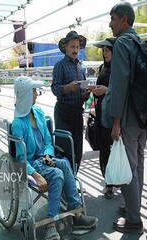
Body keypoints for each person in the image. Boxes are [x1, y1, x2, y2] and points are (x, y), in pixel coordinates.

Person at [12, 76, 98, 240]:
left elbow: (47, 141)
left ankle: (77, 214)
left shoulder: (38, 112)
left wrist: (48, 155)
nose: (37, 93)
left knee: (64, 163)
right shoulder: (18, 124)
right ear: (26, 95)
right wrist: (36, 176)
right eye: (34, 91)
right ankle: (51, 224)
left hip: (42, 158)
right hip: (31, 164)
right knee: (57, 174)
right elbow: (20, 157)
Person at [103, 2, 147, 234]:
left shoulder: (122, 44)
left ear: (124, 20)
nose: (110, 23)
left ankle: (133, 220)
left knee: (128, 168)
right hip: (143, 117)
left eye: (113, 18)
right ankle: (133, 207)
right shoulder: (140, 42)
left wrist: (116, 122)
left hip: (128, 118)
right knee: (138, 166)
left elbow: (119, 85)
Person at [51, 31, 90, 172]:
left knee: (77, 149)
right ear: (65, 47)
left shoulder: (80, 67)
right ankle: (63, 182)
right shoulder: (59, 66)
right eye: (72, 47)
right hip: (64, 112)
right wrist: (68, 88)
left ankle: (73, 180)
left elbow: (80, 90)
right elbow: (54, 88)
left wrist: (85, 95)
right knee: (64, 147)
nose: (75, 50)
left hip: (77, 112)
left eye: (77, 47)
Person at [87, 37, 115, 199]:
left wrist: (106, 90)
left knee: (116, 148)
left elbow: (122, 91)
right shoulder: (102, 68)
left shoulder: (120, 68)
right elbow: (102, 89)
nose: (104, 53)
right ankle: (109, 183)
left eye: (107, 50)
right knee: (104, 148)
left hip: (115, 113)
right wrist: (94, 90)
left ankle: (118, 178)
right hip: (101, 112)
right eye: (103, 50)